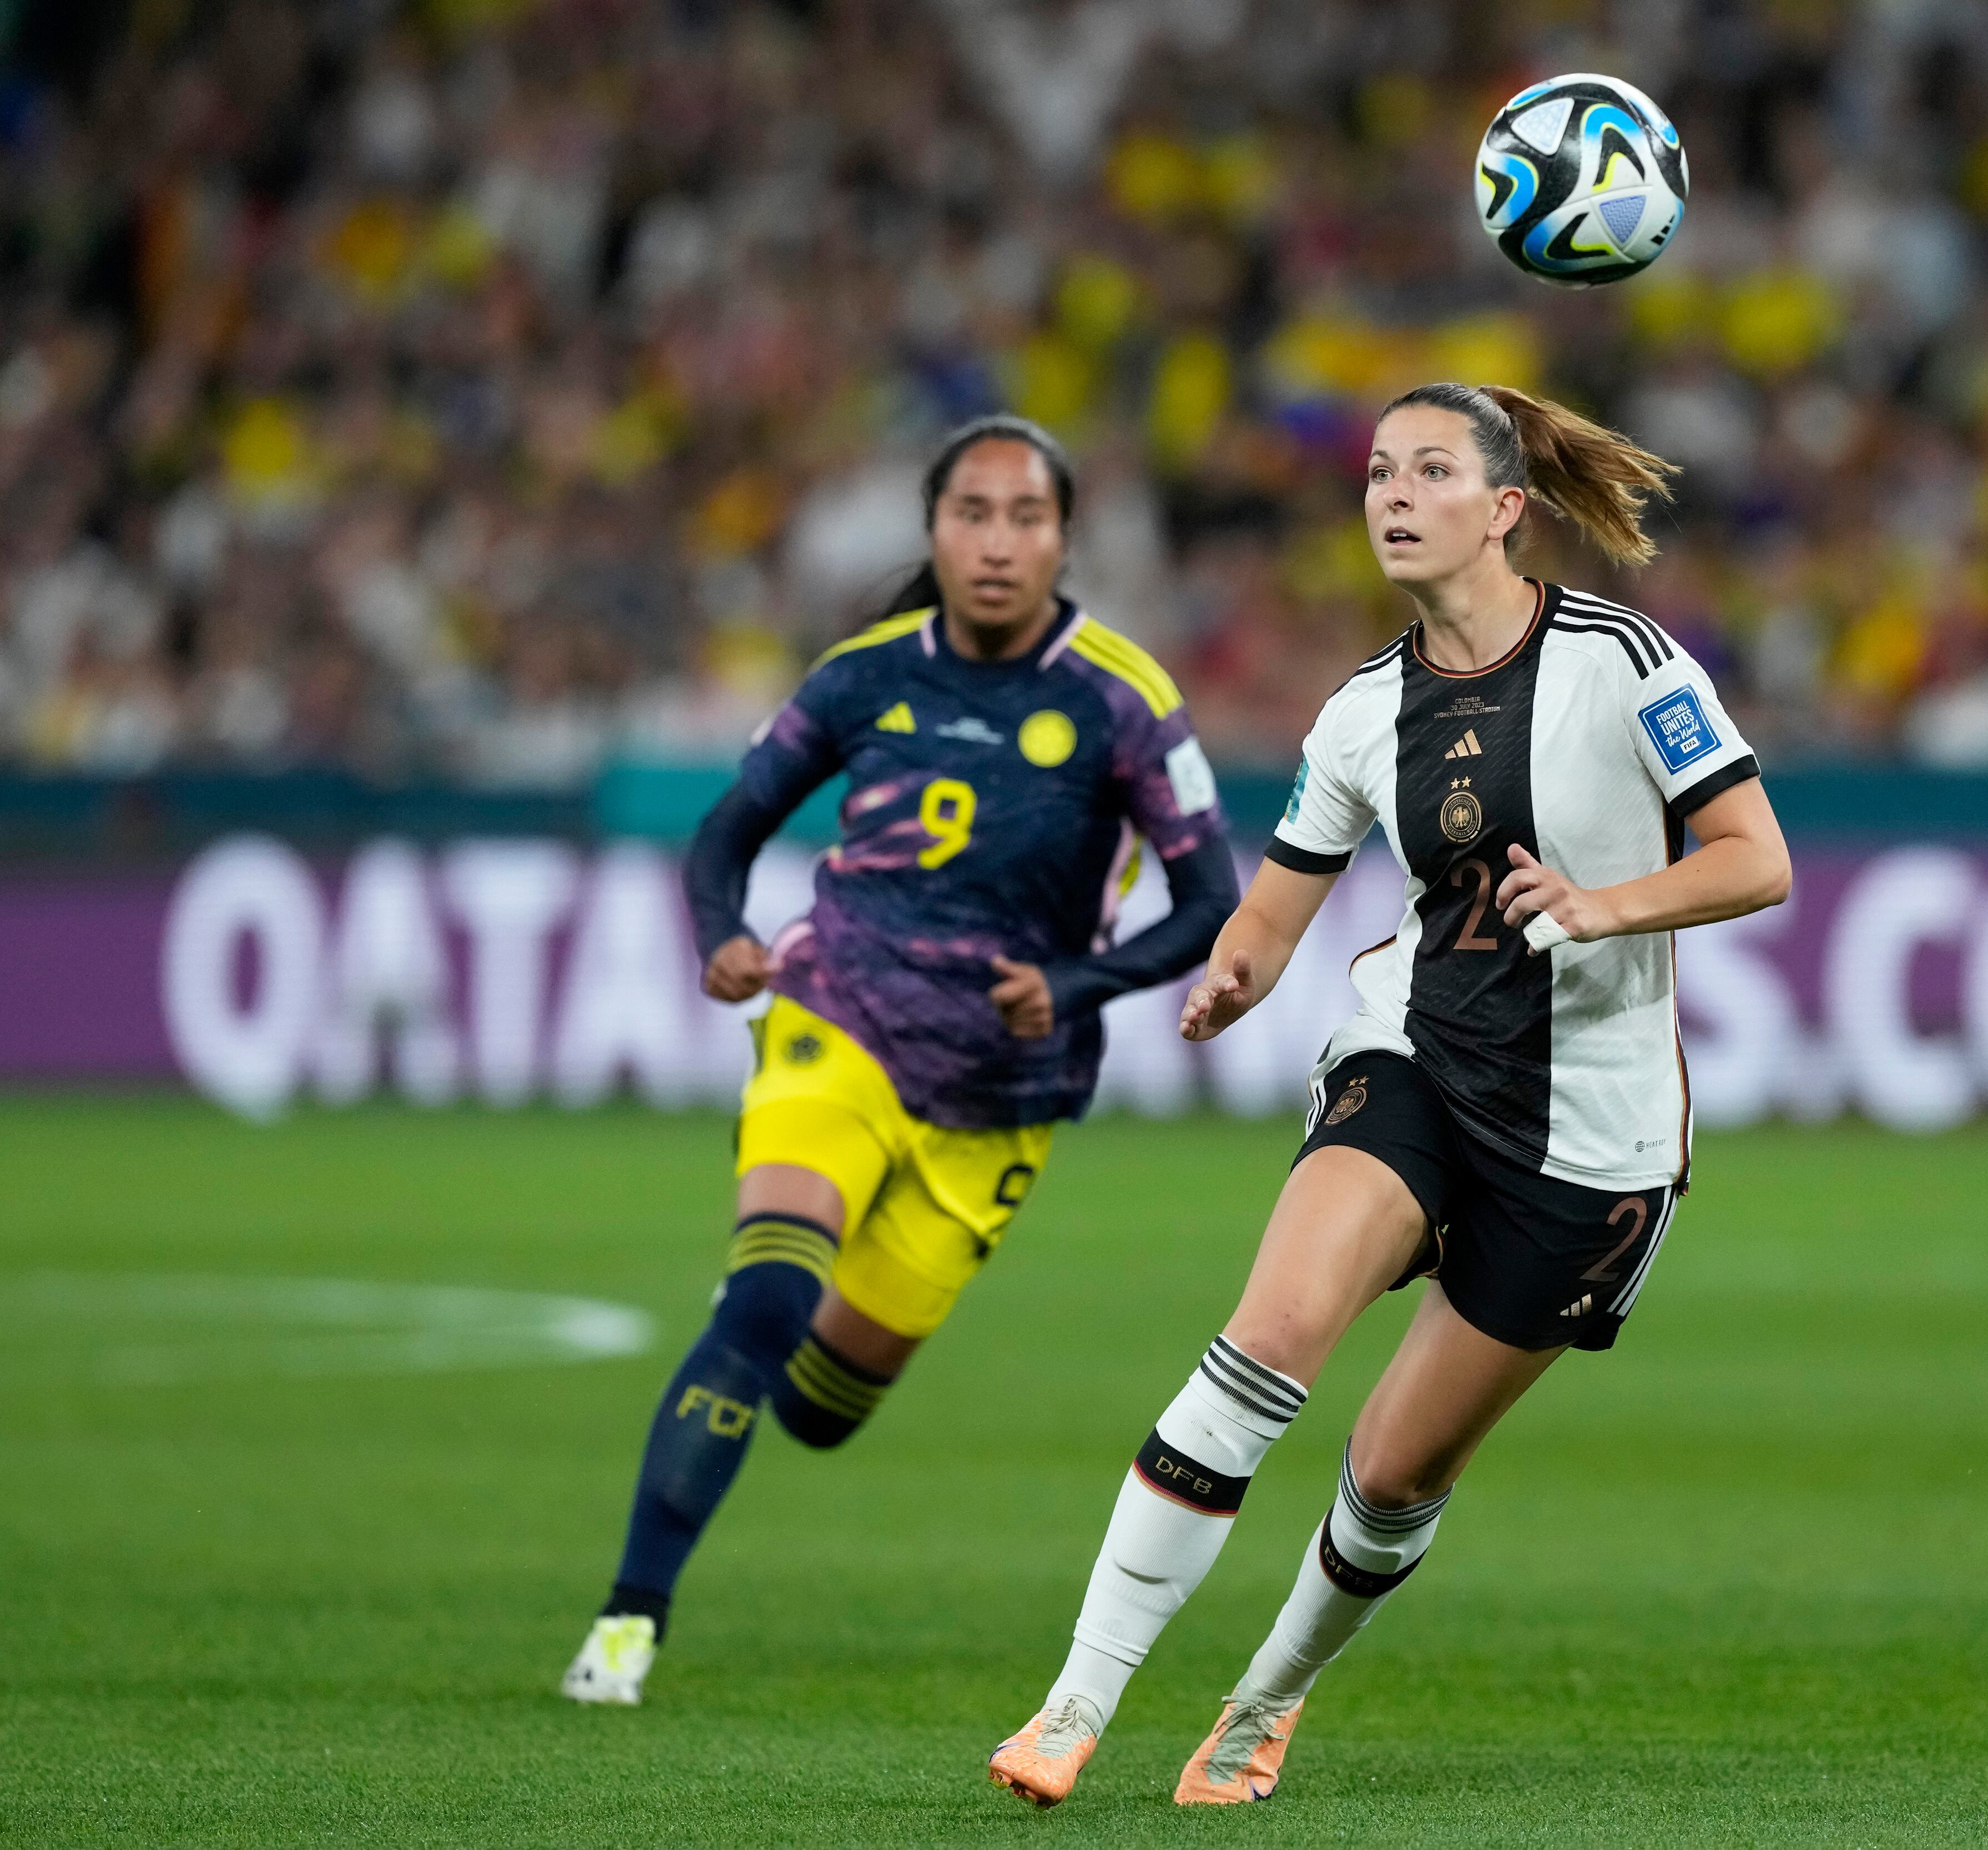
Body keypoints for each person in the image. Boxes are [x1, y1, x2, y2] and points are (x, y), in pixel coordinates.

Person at [985, 381, 1792, 1808]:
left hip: (1593, 1142)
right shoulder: (1363, 711)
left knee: (1395, 1468)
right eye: (1375, 472)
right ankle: (1073, 1702)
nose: (1392, 494)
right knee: (1272, 1332)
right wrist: (1226, 975)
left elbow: (1753, 857)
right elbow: (1273, 913)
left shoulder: (1631, 663)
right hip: (1413, 1062)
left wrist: (1604, 907)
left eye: (1428, 470)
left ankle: (1266, 1699)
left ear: (1504, 509)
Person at [559, 415, 1240, 1702]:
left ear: (1064, 537)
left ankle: (759, 1346)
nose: (996, 543)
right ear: (932, 530)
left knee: (818, 1404)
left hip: (997, 1093)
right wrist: (723, 936)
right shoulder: (864, 674)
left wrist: (1078, 983)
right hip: (839, 1015)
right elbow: (723, 834)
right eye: (971, 514)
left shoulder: (1121, 697)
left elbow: (1210, 898)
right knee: (760, 1303)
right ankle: (626, 1625)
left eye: (1024, 517)